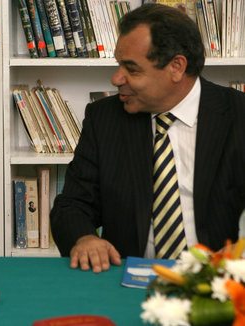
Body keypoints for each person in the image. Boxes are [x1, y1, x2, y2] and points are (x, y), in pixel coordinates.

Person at [50, 4, 245, 273]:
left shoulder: (238, 115)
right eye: (119, 65)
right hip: (125, 277)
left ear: (177, 67)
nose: (117, 78)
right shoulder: (104, 118)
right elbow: (73, 204)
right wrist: (84, 238)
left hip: (218, 282)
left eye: (132, 69)